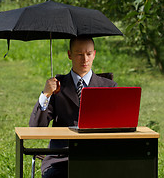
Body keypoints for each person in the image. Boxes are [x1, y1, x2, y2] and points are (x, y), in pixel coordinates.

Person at [29, 37, 117, 178]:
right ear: (70, 55)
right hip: (61, 160)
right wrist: (45, 94)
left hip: (97, 158)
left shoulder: (109, 87)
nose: (85, 59)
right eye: (79, 54)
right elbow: (36, 126)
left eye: (88, 54)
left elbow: (117, 126)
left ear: (94, 54)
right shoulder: (57, 87)